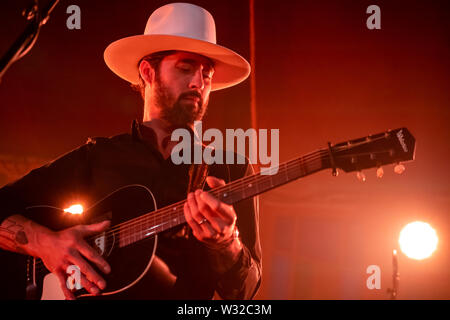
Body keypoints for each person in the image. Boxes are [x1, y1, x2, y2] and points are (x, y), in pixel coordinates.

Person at [0, 3, 261, 300]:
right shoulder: (99, 156)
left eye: (207, 74)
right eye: (186, 68)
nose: (198, 83)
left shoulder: (230, 169)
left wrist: (227, 242)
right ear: (148, 72)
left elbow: (244, 293)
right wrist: (45, 243)